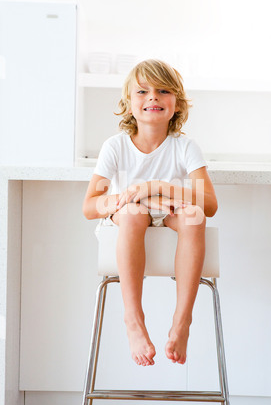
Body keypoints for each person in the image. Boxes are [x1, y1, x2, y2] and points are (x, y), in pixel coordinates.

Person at [82, 59, 218, 367]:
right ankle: (133, 320)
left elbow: (209, 203)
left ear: (176, 104)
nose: (153, 97)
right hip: (130, 217)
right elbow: (90, 205)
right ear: (129, 104)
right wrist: (130, 197)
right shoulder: (115, 147)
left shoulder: (185, 147)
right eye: (142, 91)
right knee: (132, 213)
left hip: (170, 214)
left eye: (162, 90)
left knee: (195, 215)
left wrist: (156, 188)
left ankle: (182, 322)